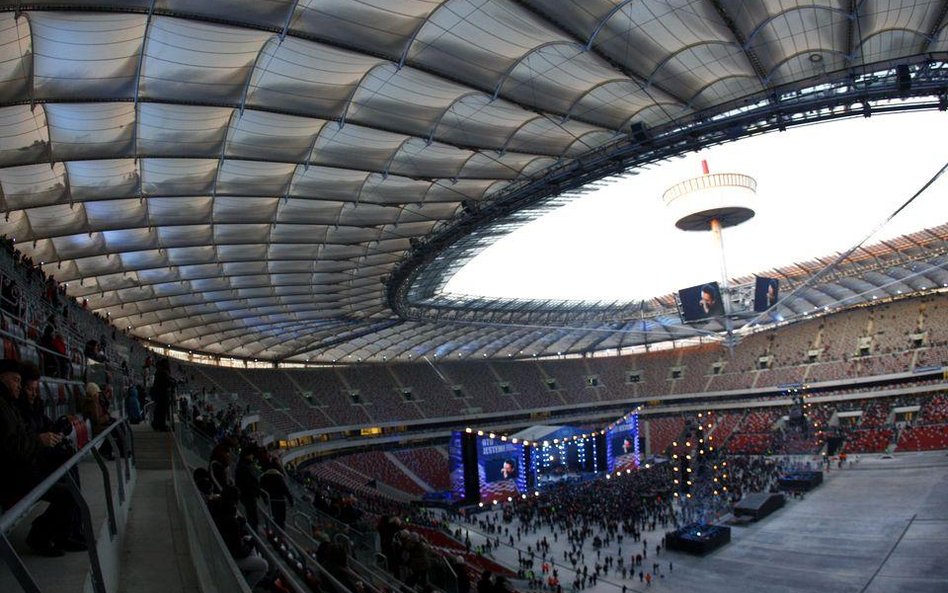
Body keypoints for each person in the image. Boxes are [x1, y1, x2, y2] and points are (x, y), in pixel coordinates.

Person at [0, 360, 84, 556]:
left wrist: (52, 433)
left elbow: (27, 436)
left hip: (23, 469)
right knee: (67, 492)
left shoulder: (10, 406)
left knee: (67, 467)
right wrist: (41, 441)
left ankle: (67, 531)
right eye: (16, 380)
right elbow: (16, 448)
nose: (19, 386)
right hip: (13, 476)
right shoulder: (5, 408)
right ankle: (40, 536)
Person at [208, 485, 269, 588]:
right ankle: (245, 588)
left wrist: (240, 525)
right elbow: (239, 553)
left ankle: (248, 577)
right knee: (264, 565)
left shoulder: (216, 508)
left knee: (251, 545)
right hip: (228, 556)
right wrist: (251, 543)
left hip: (221, 548)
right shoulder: (231, 521)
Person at [260, 459, 293, 530]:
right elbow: (285, 490)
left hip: (270, 500)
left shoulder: (263, 477)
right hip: (280, 500)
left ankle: (272, 530)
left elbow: (261, 489)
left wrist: (265, 499)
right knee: (281, 519)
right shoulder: (279, 477)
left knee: (272, 516)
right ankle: (281, 533)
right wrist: (290, 500)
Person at [150, 358, 174, 432]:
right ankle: (161, 426)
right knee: (162, 410)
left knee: (158, 410)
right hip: (163, 394)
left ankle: (156, 424)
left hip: (159, 394)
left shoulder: (159, 371)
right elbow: (167, 382)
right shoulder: (163, 372)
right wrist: (174, 383)